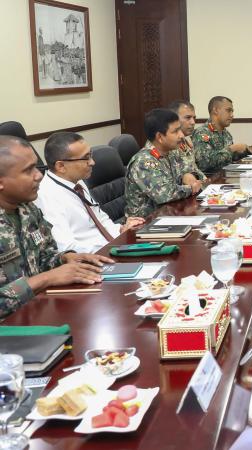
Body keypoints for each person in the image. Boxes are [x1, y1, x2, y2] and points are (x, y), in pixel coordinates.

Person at [0, 136, 113, 319]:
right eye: (28, 170)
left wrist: (66, 259)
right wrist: (47, 278)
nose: (39, 175)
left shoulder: (28, 210)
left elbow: (43, 256)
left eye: (36, 167)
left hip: (40, 311)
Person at [34, 132, 144, 253]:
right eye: (86, 158)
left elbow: (99, 218)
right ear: (61, 166)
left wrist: (120, 230)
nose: (92, 162)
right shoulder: (46, 196)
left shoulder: (77, 181)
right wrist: (113, 246)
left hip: (111, 247)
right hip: (94, 258)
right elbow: (66, 248)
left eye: (90, 155)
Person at [125, 109, 201, 218]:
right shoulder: (144, 162)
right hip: (144, 225)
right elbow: (166, 195)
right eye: (175, 131)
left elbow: (188, 169)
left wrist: (189, 176)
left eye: (180, 130)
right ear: (160, 137)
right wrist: (192, 188)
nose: (181, 135)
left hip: (170, 215)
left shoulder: (171, 153)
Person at [193, 96, 252, 173]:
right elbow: (204, 163)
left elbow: (231, 157)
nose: (232, 115)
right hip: (211, 180)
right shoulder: (202, 133)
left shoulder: (226, 133)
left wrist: (248, 150)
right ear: (215, 110)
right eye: (228, 111)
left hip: (227, 176)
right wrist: (231, 149)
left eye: (232, 111)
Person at [165, 100, 207, 186]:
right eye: (188, 118)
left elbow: (194, 169)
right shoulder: (166, 144)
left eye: (194, 118)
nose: (193, 122)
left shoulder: (184, 142)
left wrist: (207, 184)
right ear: (173, 119)